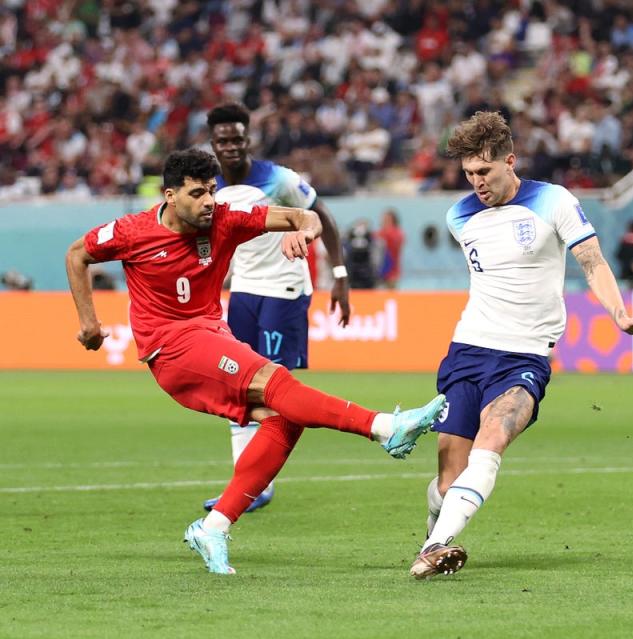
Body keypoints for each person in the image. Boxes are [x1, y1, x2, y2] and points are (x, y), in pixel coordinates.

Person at [65, 149, 445, 575]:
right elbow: (77, 253)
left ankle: (213, 526)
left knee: (287, 415)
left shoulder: (225, 220)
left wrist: (302, 231)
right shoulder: (132, 230)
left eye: (212, 190)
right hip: (172, 348)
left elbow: (307, 216)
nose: (209, 201)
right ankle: (384, 428)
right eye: (197, 193)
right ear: (170, 196)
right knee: (275, 380)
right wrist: (89, 323)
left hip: (211, 334)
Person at [410, 112, 633, 579]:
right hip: (467, 352)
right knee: (449, 481)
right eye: (469, 174)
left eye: (485, 173)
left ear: (509, 161)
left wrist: (621, 316)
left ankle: (432, 548)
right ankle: (436, 530)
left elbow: (592, 263)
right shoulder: (459, 216)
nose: (477, 184)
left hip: (524, 357)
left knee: (491, 443)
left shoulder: (553, 201)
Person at [200, 102, 351, 513]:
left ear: (248, 139)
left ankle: (257, 483)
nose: (231, 146)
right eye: (222, 140)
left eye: (237, 138)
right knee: (236, 386)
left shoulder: (279, 179)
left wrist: (339, 276)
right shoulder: (208, 185)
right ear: (212, 144)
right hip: (245, 291)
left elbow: (324, 217)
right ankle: (246, 485)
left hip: (284, 289)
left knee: (275, 390)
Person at [376, 208, 405, 288]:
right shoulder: (382, 233)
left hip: (392, 274)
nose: (382, 221)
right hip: (381, 273)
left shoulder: (396, 233)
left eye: (385, 219)